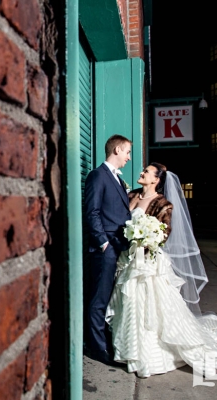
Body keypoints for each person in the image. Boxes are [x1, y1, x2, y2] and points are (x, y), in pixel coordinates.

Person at [105, 162, 217, 378]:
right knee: (128, 302)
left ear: (156, 180)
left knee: (149, 306)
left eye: (147, 172)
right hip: (126, 259)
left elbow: (164, 234)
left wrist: (145, 240)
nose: (142, 173)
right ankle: (128, 348)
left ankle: (148, 353)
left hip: (148, 263)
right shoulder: (130, 195)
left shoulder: (163, 204)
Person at [83, 134, 132, 365]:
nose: (128, 158)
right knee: (98, 300)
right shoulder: (97, 176)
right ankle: (97, 349)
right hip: (105, 249)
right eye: (127, 152)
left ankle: (104, 342)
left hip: (117, 247)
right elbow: (92, 212)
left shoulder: (118, 180)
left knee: (107, 299)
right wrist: (103, 243)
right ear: (117, 150)